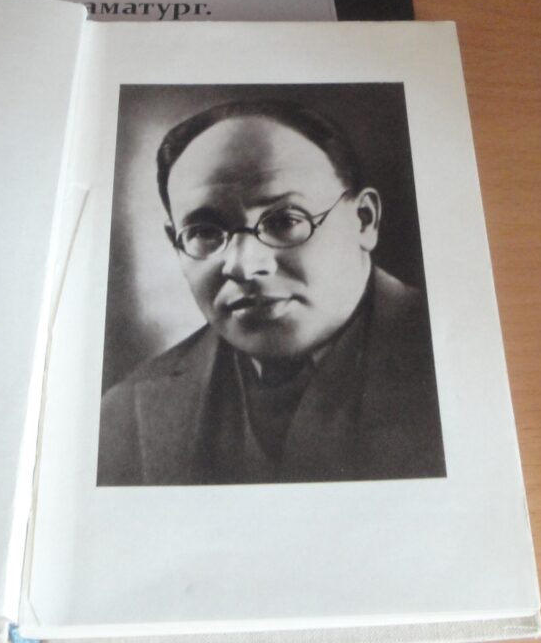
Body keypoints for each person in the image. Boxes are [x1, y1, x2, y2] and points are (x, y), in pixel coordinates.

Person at [98, 99, 446, 486]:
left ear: (364, 220)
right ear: (175, 242)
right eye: (204, 233)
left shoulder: (452, 361)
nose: (244, 266)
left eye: (284, 221)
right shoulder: (124, 416)